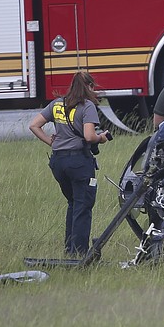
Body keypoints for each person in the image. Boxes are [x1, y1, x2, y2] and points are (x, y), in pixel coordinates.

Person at [29, 71, 111, 257]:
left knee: (73, 203)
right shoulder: (87, 106)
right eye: (92, 87)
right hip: (78, 162)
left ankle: (69, 250)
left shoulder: (58, 103)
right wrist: (102, 138)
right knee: (83, 206)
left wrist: (51, 142)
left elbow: (34, 125)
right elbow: (89, 136)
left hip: (58, 161)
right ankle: (80, 253)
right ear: (89, 87)